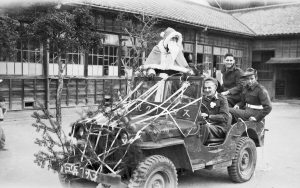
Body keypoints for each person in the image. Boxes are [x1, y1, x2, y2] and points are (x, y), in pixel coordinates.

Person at [199, 77, 230, 145]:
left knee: (205, 127)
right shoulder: (201, 99)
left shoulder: (222, 99)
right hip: (205, 124)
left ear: (215, 88)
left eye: (209, 88)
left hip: (219, 127)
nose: (207, 90)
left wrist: (209, 116)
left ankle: (198, 148)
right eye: (205, 88)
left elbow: (225, 117)